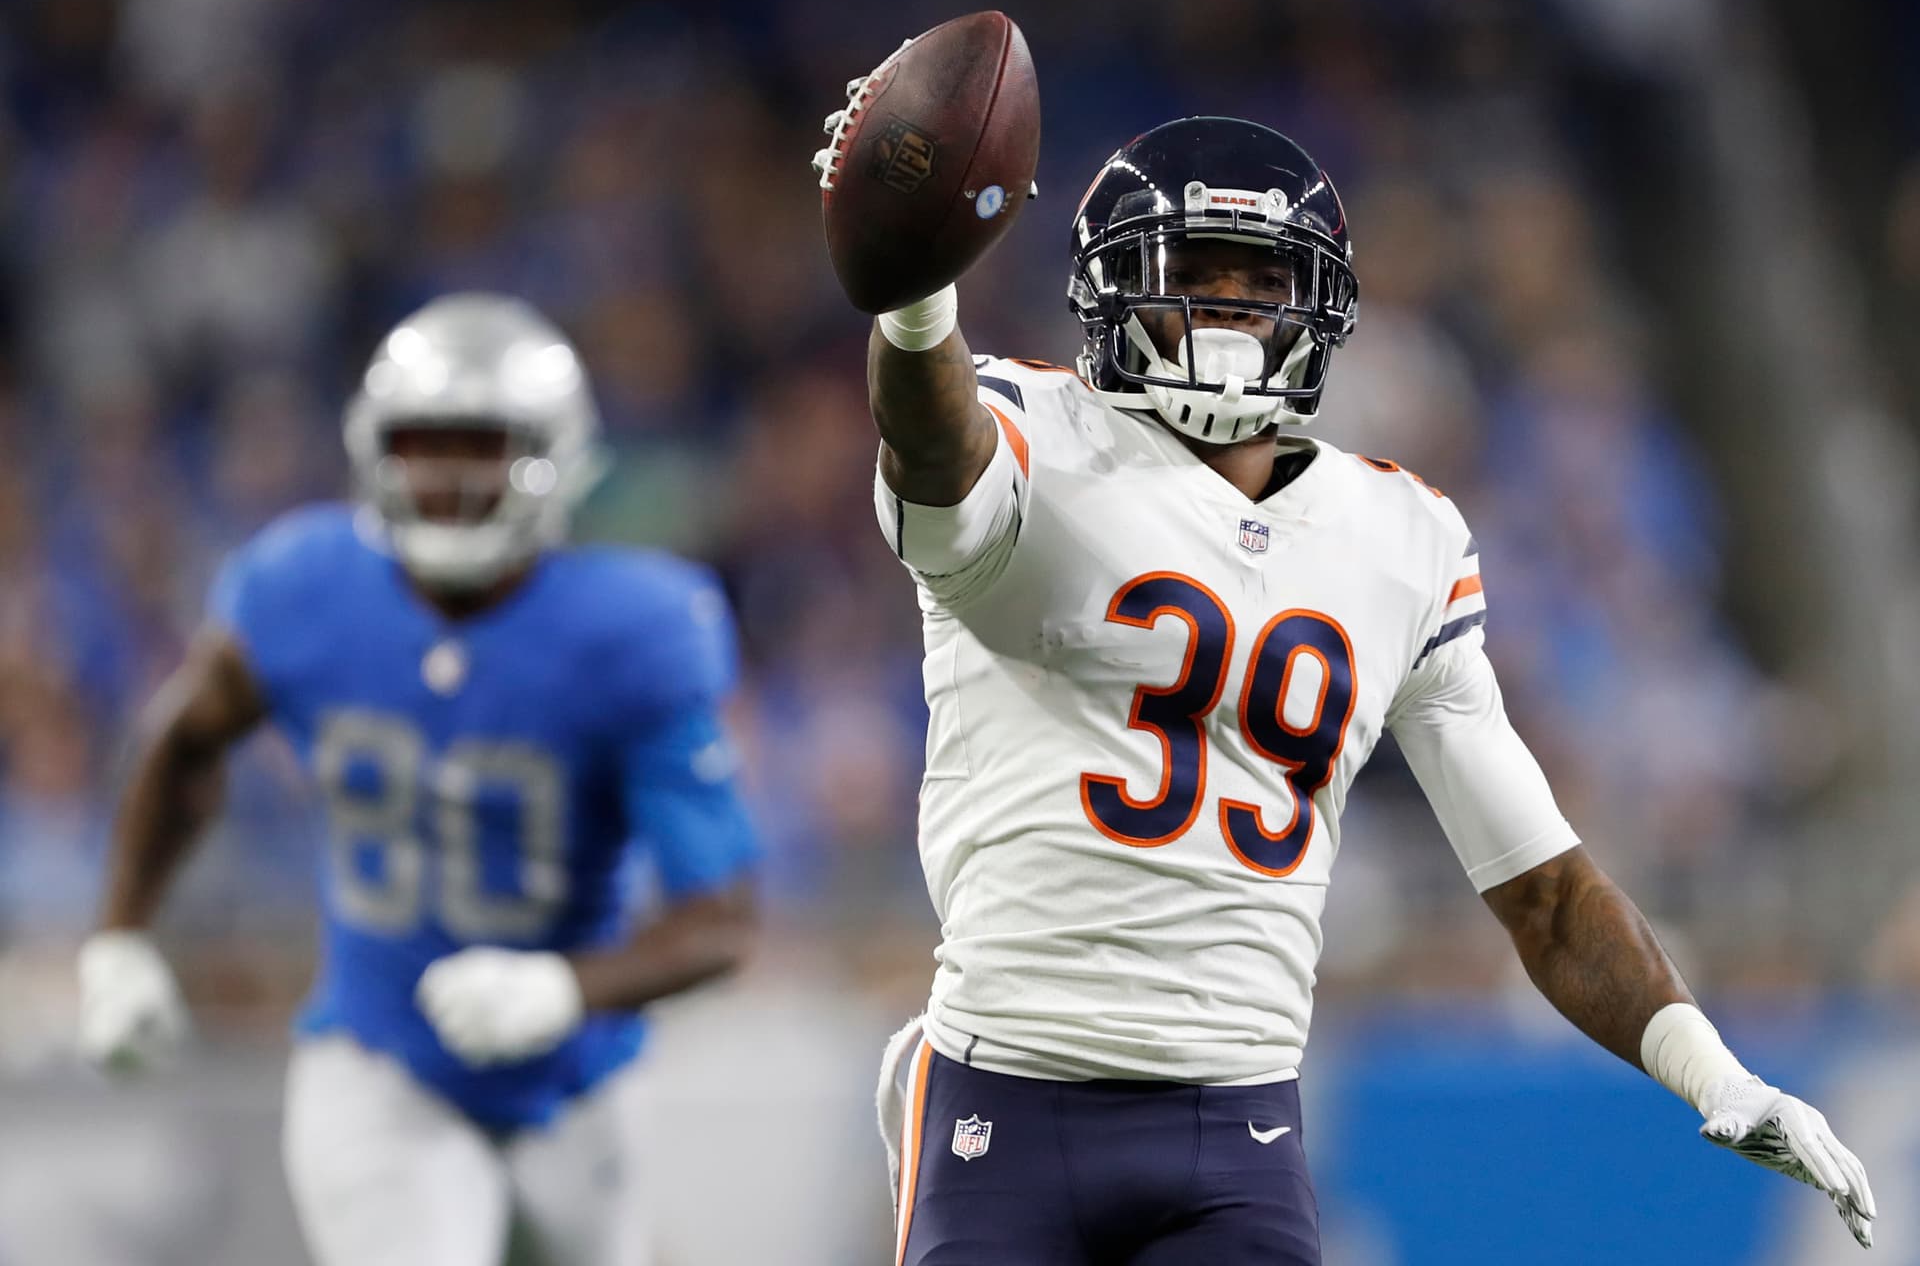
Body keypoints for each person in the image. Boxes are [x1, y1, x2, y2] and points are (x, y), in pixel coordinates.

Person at [817, 115, 1877, 1263]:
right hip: (1009, 1089)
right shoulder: (1028, 436)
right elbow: (933, 446)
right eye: (1195, 273)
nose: (1229, 307)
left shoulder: (1400, 536)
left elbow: (1545, 889)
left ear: (1316, 304)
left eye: (1259, 280)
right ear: (1113, 291)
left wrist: (1715, 1073)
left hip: (1237, 1123)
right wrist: (915, 297)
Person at [75, 293, 760, 1266]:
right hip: (379, 1056)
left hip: (581, 1078)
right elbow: (185, 740)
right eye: (422, 444)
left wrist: (565, 987)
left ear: (558, 455)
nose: (447, 476)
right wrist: (119, 935)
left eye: (482, 444)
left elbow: (722, 917)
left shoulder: (632, 631)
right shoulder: (305, 586)